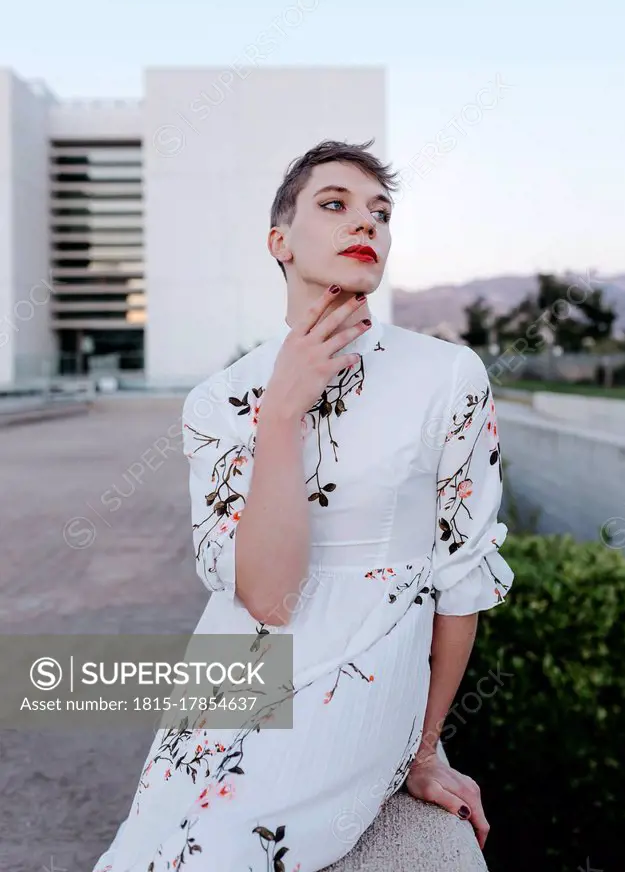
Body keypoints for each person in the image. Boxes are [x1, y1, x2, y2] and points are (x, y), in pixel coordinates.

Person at [92, 139, 514, 872]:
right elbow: (267, 597)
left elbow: (461, 579)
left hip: (361, 668)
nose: (367, 225)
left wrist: (422, 751)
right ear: (279, 242)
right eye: (336, 205)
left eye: (381, 213)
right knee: (145, 850)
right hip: (231, 666)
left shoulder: (448, 377)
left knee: (218, 852)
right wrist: (281, 414)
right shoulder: (219, 402)